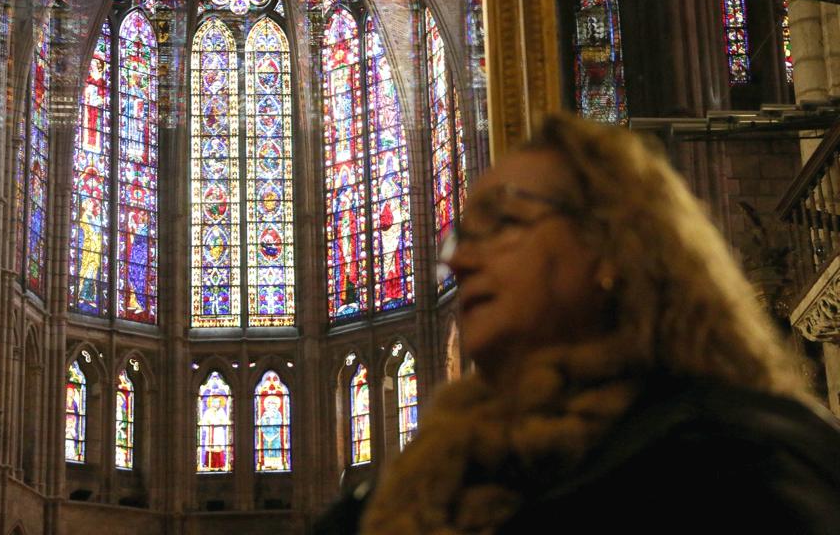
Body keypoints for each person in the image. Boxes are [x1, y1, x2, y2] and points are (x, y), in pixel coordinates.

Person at [314, 113, 840, 534]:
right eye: (462, 237)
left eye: (504, 223)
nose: (460, 262)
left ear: (613, 243)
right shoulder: (430, 481)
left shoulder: (737, 462)